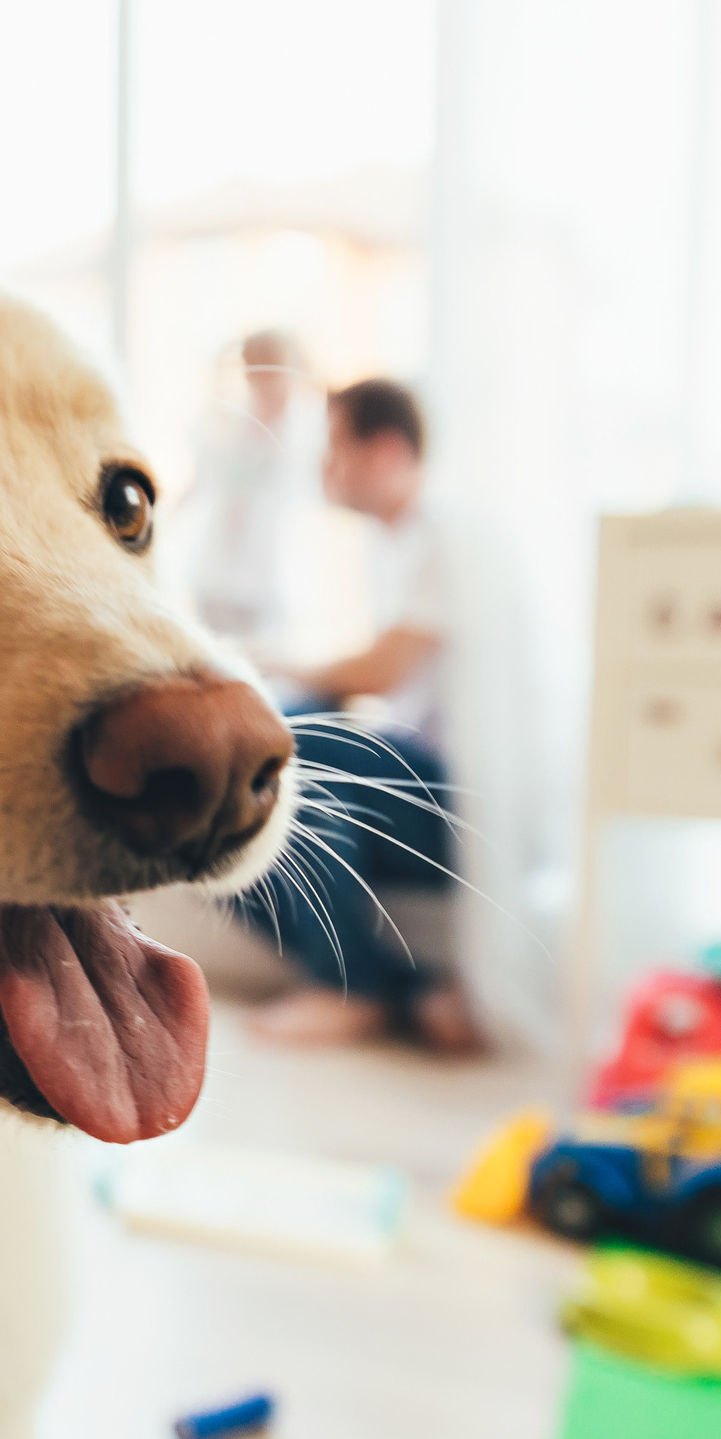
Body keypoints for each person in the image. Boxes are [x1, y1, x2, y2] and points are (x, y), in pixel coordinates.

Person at [238, 378, 481, 1054]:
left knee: (287, 745)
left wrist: (273, 661)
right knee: (232, 809)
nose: (323, 467)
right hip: (420, 775)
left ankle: (350, 987)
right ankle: (407, 988)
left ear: (385, 450)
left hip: (462, 800)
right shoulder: (397, 544)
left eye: (335, 446)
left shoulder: (445, 536)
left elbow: (382, 671)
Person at [177, 328, 309, 649]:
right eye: (257, 376)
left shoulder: (308, 426)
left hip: (272, 578)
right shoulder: (226, 420)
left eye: (275, 375)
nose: (268, 386)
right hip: (216, 574)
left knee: (269, 662)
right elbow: (202, 481)